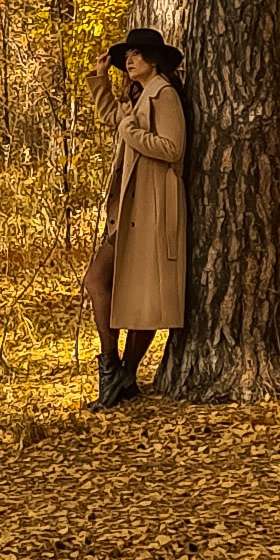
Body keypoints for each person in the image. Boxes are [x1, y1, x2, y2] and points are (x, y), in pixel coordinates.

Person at [82, 25, 188, 407]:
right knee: (96, 281)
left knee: (145, 295)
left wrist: (130, 129)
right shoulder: (141, 95)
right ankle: (114, 370)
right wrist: (99, 80)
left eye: (138, 55)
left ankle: (121, 376)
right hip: (131, 210)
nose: (129, 60)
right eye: (127, 55)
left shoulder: (164, 94)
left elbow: (173, 148)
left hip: (154, 206)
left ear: (155, 61)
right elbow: (117, 119)